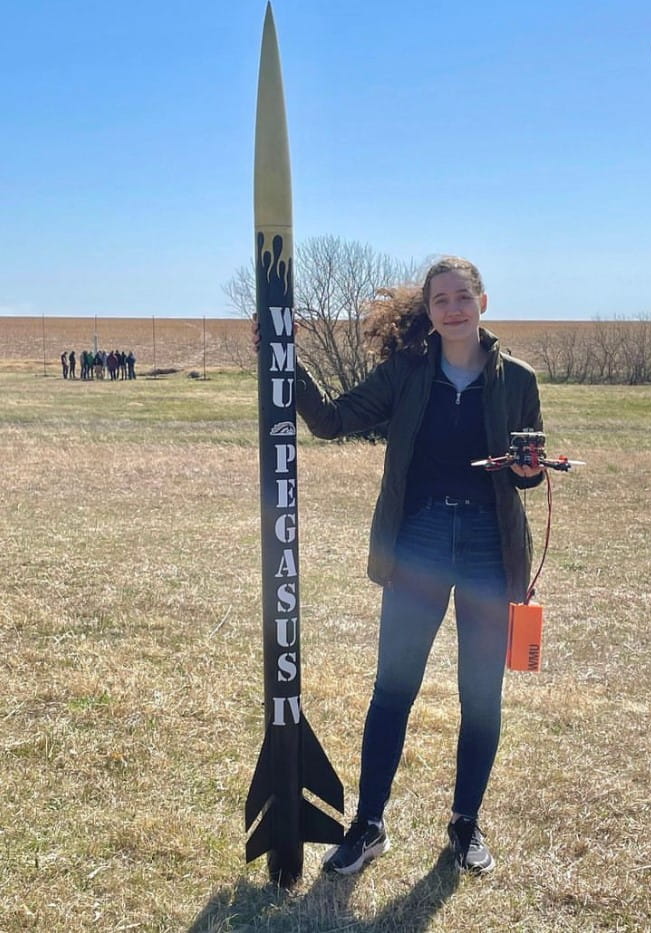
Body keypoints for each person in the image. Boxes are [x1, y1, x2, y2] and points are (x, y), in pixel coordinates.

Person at [254, 256, 544, 875]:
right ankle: (369, 825)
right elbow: (330, 421)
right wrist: (284, 357)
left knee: (482, 698)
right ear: (429, 313)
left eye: (463, 296)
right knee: (393, 690)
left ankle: (466, 824)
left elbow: (529, 465)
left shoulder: (518, 378)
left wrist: (530, 470)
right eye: (440, 300)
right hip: (420, 543)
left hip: (491, 550)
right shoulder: (407, 373)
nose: (453, 308)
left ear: (483, 302)